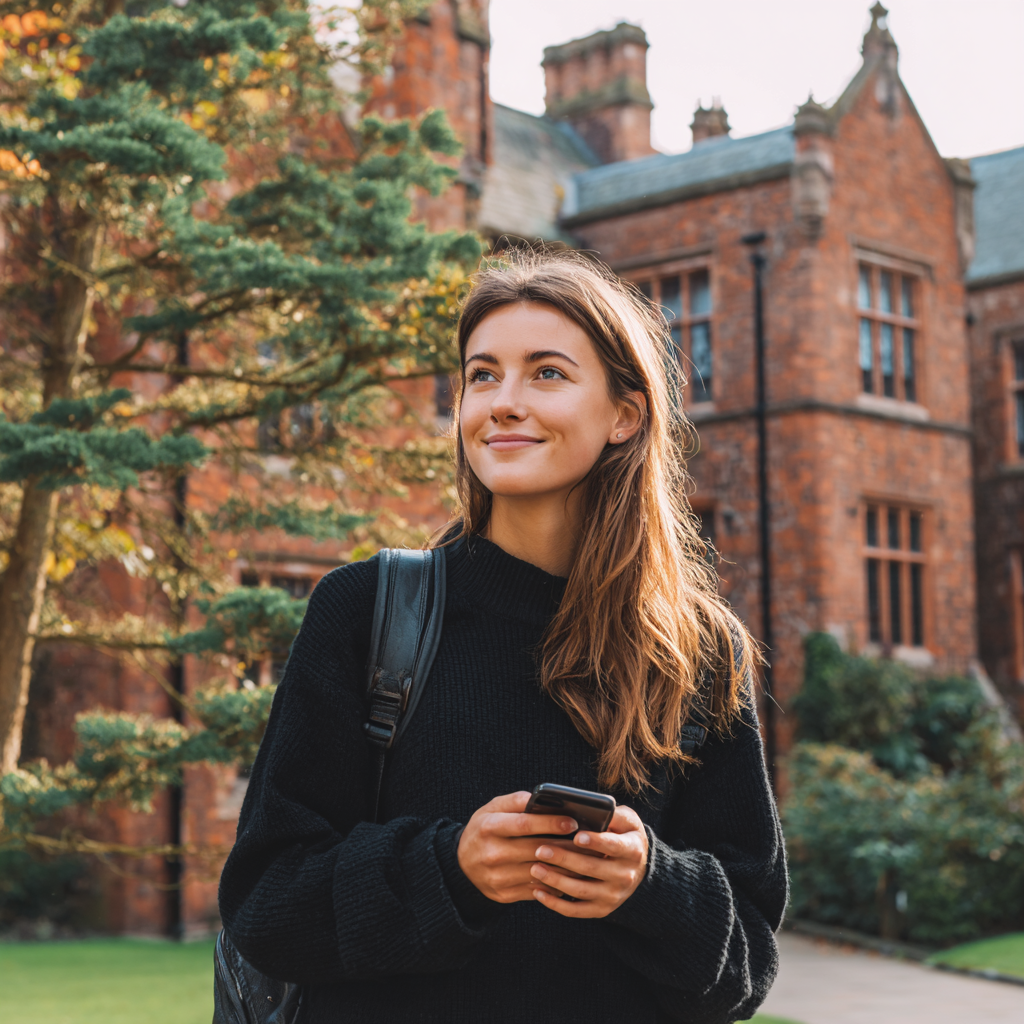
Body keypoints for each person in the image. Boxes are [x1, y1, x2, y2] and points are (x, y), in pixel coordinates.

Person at [218, 250, 788, 1024]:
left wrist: (649, 884)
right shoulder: (365, 611)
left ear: (626, 414)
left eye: (546, 373)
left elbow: (748, 962)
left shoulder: (698, 651)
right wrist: (449, 870)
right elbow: (266, 903)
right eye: (482, 375)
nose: (503, 402)